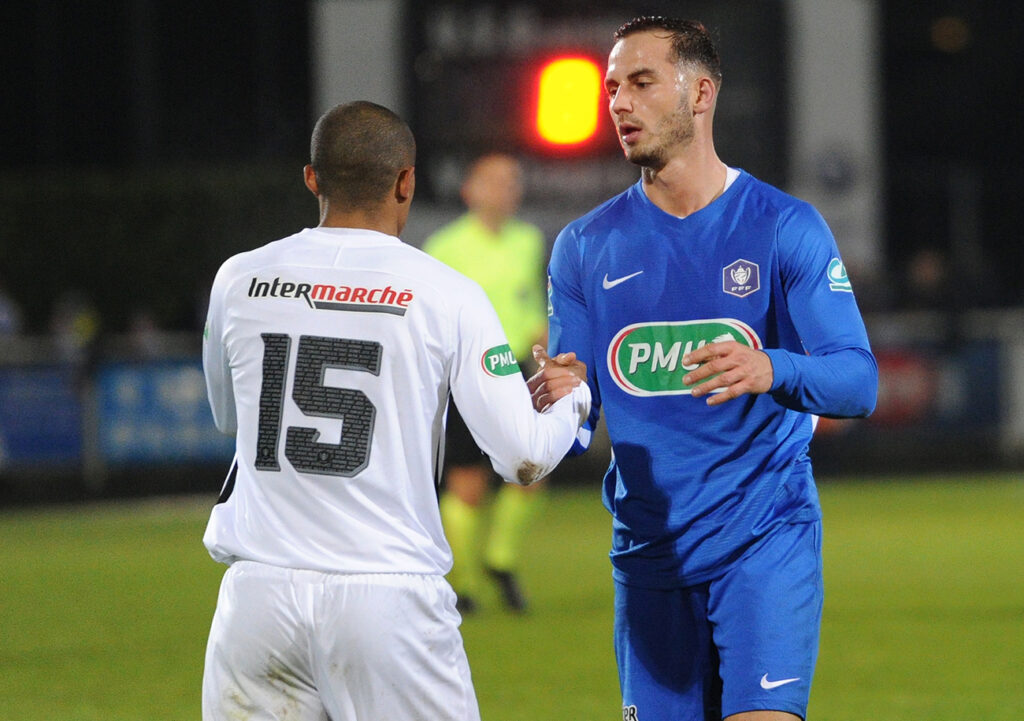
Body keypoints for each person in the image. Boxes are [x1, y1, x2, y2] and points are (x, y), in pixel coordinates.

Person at [528, 17, 878, 721]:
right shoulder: (583, 248)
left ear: (702, 93)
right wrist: (551, 401)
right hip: (648, 558)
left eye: (641, 82)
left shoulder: (785, 226)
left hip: (764, 540)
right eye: (611, 88)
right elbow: (573, 420)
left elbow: (858, 381)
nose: (618, 102)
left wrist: (770, 365)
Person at [200, 101, 590, 721]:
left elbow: (229, 419)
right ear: (406, 182)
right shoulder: (445, 290)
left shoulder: (238, 278)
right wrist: (575, 401)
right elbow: (523, 457)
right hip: (385, 599)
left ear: (312, 179)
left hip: (256, 602)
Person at [422, 153, 549, 613]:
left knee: (531, 472)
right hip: (464, 373)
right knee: (467, 485)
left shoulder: (528, 240)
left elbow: (531, 305)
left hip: (515, 370)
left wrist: (546, 357)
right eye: (493, 181)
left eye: (511, 181)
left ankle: (500, 560)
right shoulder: (444, 245)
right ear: (469, 189)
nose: (504, 190)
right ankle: (464, 586)